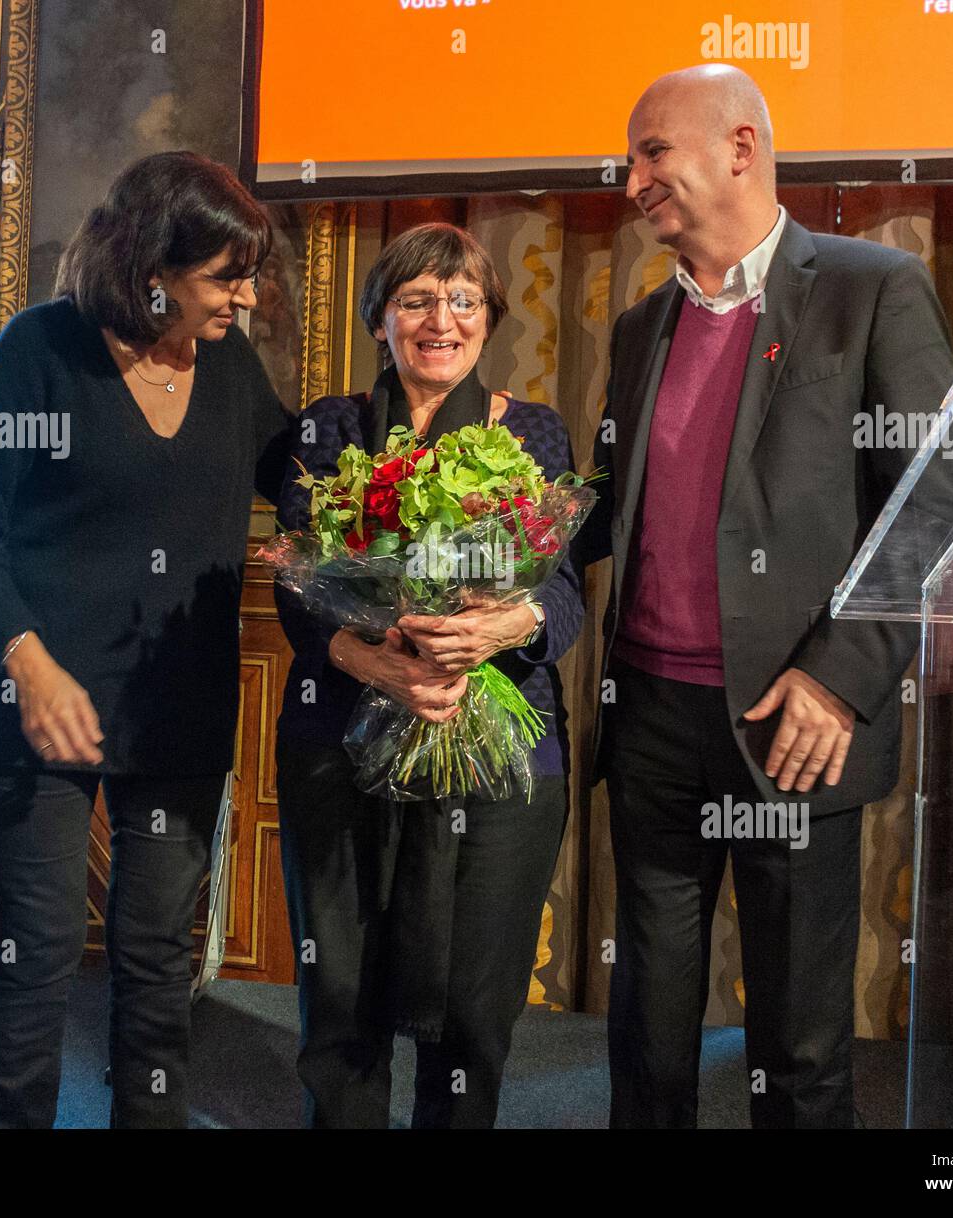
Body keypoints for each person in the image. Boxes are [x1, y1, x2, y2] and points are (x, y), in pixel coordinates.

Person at [581, 65, 953, 1128]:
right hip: (653, 718)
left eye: (653, 152)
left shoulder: (870, 287)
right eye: (631, 161)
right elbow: (599, 512)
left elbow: (932, 503)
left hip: (795, 724)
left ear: (741, 148)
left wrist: (839, 684)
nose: (632, 182)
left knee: (797, 1047)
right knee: (646, 1033)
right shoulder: (634, 331)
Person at [0, 151, 292, 1128]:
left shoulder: (231, 368)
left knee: (158, 956)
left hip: (174, 710)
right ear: (151, 272)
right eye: (226, 277)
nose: (246, 298)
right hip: (34, 707)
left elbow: (308, 485)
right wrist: (31, 667)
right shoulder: (42, 351)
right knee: (37, 956)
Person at [274, 221, 584, 1128]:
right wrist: (367, 658)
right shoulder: (328, 427)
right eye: (414, 299)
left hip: (499, 750)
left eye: (462, 300)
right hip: (341, 742)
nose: (439, 318)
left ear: (489, 319)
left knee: (474, 1013)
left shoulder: (532, 431)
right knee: (339, 1001)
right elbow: (302, 585)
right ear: (380, 320)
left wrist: (500, 628)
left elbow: (560, 591)